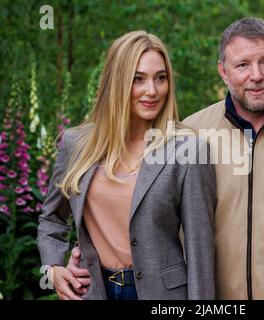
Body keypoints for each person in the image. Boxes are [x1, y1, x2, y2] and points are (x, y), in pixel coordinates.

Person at [67, 17, 264, 300]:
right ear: (223, 71)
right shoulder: (189, 134)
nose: (256, 76)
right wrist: (87, 254)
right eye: (242, 65)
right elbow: (144, 217)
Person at [37, 30, 216, 300]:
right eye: (138, 79)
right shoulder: (77, 144)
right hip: (92, 290)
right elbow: (51, 219)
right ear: (116, 82)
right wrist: (51, 270)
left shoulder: (188, 150)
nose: (152, 91)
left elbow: (199, 250)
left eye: (161, 78)